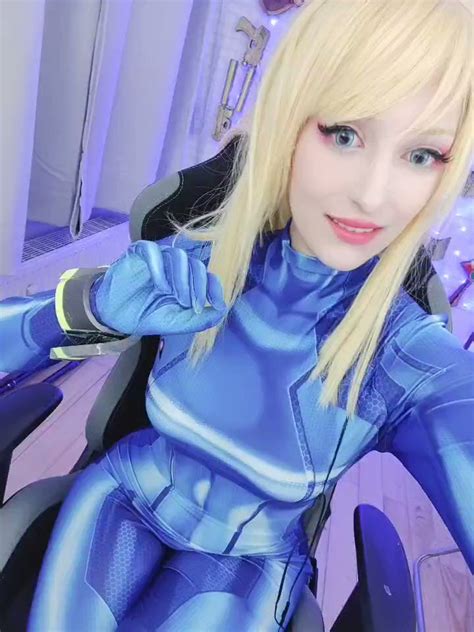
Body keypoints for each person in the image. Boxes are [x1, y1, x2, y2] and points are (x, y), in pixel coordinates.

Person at [1, 1, 473, 630]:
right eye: (343, 134)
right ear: (288, 121)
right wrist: (92, 305)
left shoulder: (409, 359)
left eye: (423, 155)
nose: (372, 194)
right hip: (118, 498)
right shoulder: (201, 260)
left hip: (248, 561)